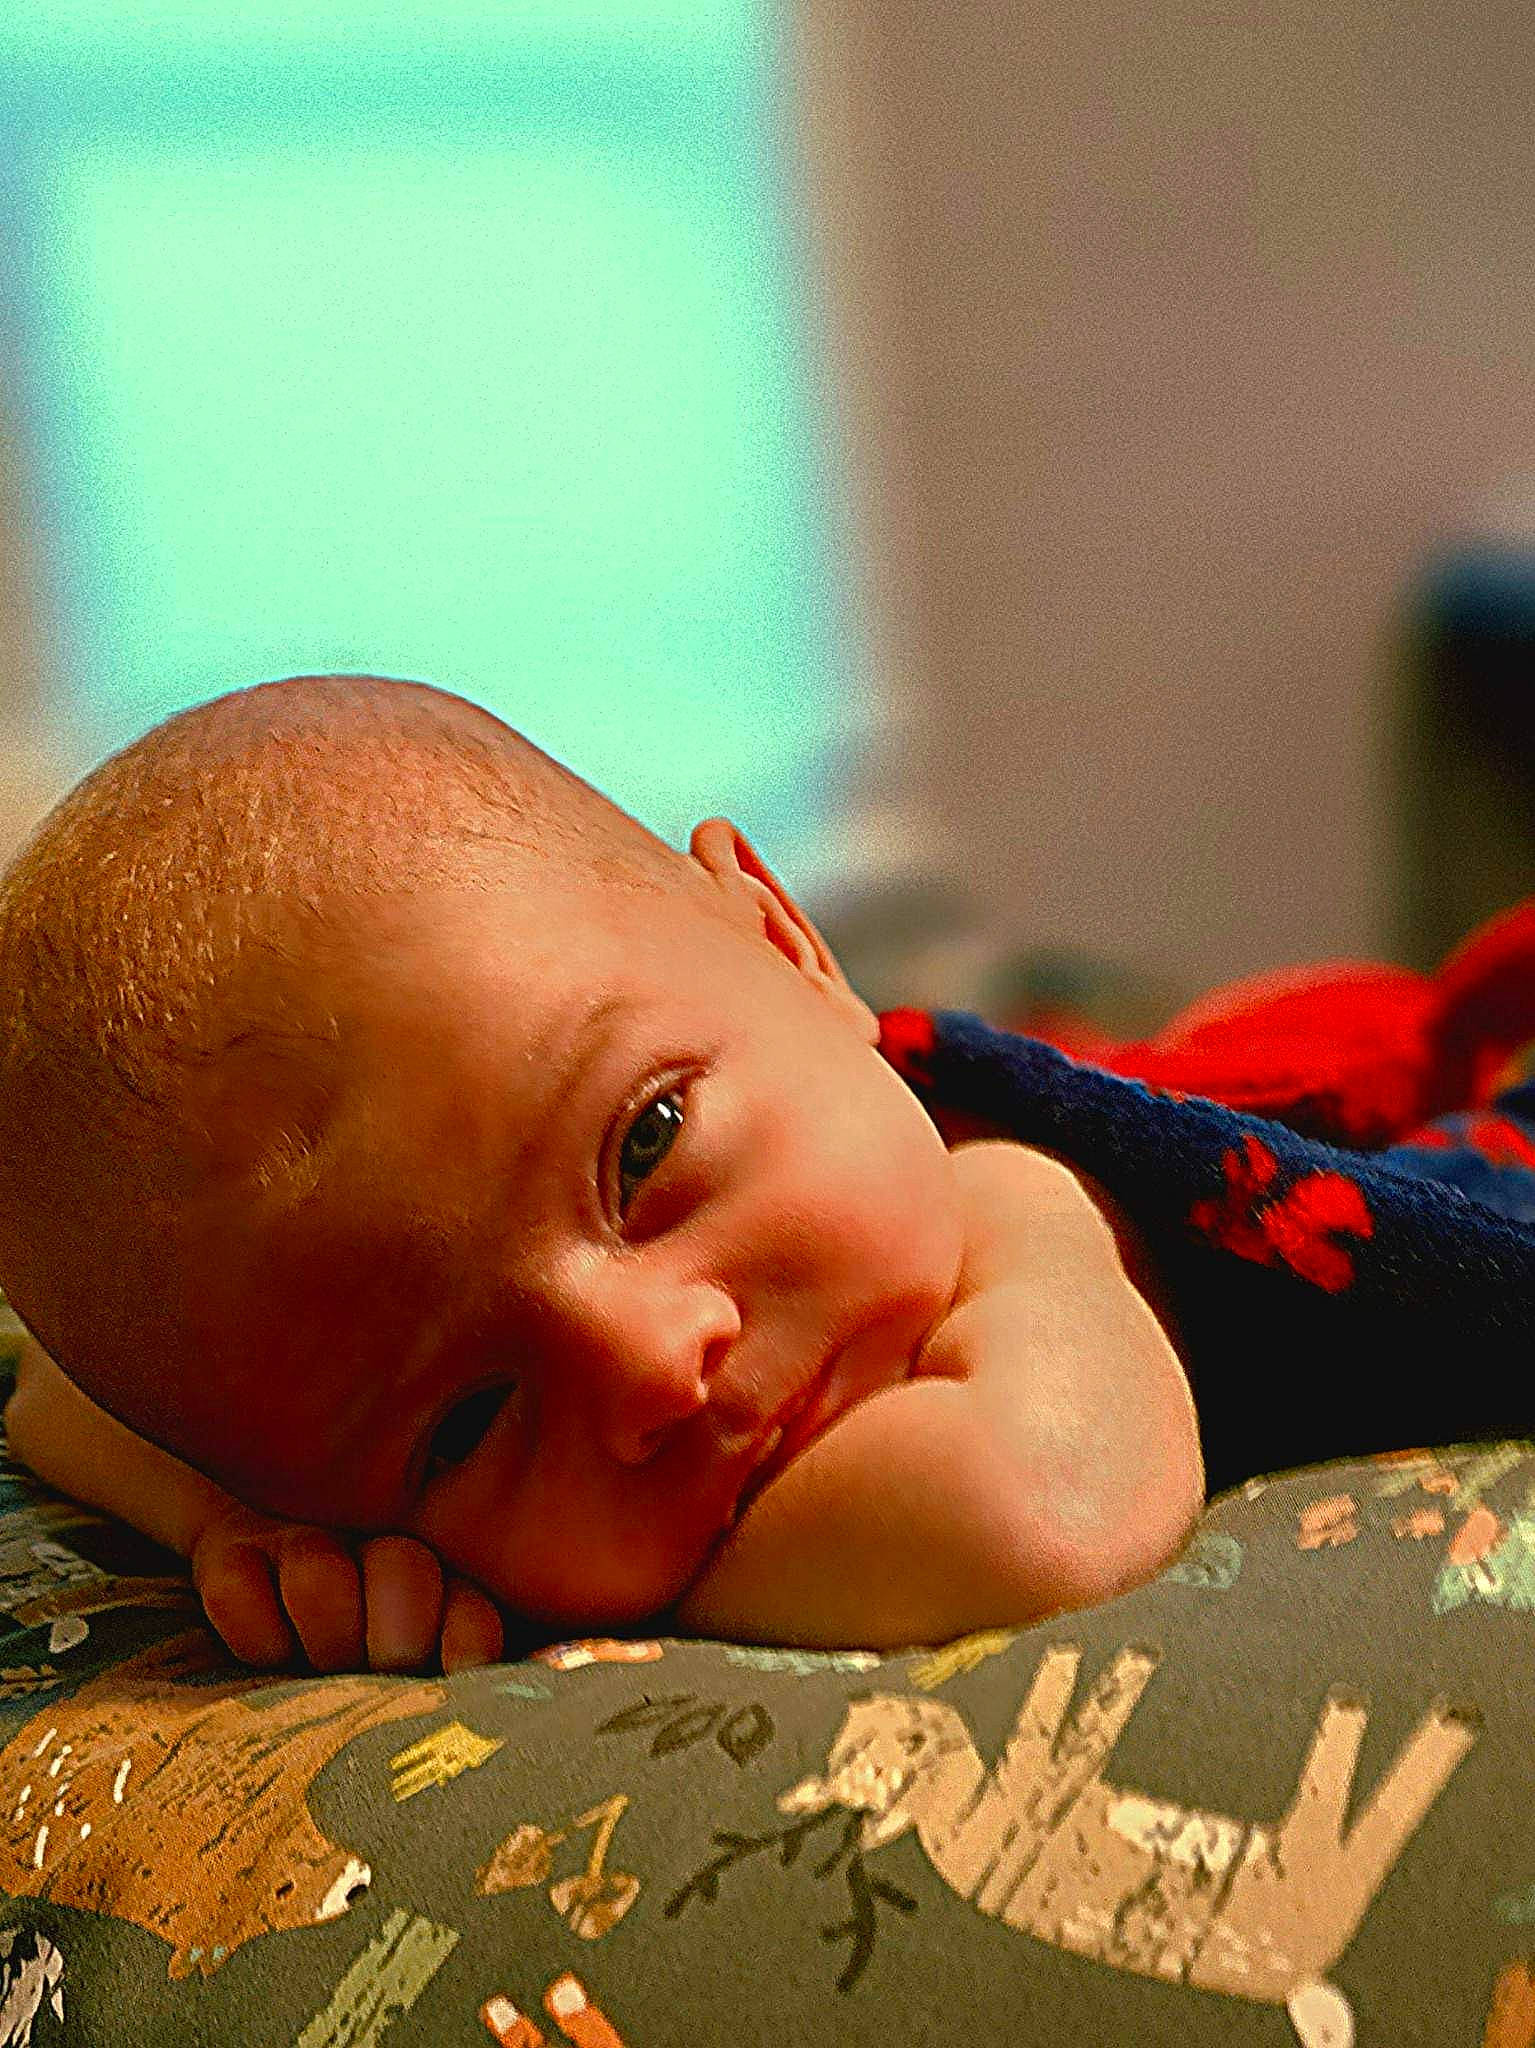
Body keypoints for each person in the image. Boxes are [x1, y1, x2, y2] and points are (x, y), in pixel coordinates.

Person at [0, 675, 1204, 1674]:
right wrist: (238, 1516)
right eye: (466, 1423)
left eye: (645, 1146)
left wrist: (578, 1599)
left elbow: (1038, 1516)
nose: (646, 1361)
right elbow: (56, 1394)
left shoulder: (1022, 1197)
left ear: (786, 943)